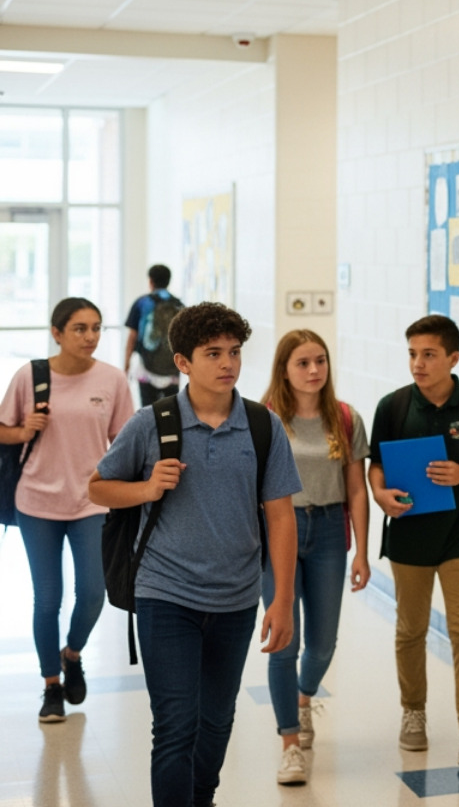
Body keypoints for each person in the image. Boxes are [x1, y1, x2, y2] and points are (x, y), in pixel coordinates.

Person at [89, 302, 301, 807]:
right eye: (214, 353)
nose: (228, 363)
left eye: (234, 352)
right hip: (166, 593)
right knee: (176, 724)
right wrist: (146, 489)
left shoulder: (262, 426)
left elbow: (280, 516)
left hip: (235, 598)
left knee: (216, 721)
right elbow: (98, 487)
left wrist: (283, 599)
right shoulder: (152, 422)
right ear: (183, 362)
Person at [368, 314, 459, 766]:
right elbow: (376, 466)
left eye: (428, 355)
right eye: (412, 354)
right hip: (410, 536)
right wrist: (379, 494)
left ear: (453, 357)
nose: (418, 364)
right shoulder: (392, 407)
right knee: (411, 630)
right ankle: (413, 713)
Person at [0, 297, 133, 723]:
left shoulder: (112, 381)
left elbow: (126, 442)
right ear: (56, 333)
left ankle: (72, 652)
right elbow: (4, 429)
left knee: (94, 593)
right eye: (80, 328)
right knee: (46, 600)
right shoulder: (31, 375)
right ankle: (51, 686)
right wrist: (24, 430)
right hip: (36, 501)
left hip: (91, 500)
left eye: (96, 328)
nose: (91, 337)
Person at [259, 329, 371, 785]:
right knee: (285, 640)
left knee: (323, 644)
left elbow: (357, 489)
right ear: (284, 369)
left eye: (320, 361)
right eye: (303, 363)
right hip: (278, 531)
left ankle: (304, 698)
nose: (313, 371)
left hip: (328, 531)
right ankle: (290, 744)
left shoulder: (345, 418)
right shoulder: (263, 419)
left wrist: (363, 550)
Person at [124, 264, 183, 407]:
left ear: (150, 281)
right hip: (172, 367)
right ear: (169, 281)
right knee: (171, 410)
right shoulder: (179, 305)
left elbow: (132, 336)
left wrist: (126, 363)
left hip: (146, 366)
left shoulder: (142, 303)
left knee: (148, 410)